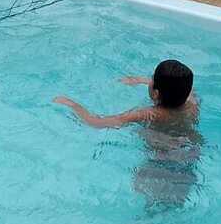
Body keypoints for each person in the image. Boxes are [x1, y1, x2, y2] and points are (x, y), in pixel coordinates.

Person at [54, 60, 201, 209]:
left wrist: (73, 105)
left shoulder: (149, 114)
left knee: (152, 208)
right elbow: (181, 87)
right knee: (173, 205)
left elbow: (96, 122)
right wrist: (141, 80)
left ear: (156, 93)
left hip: (159, 162)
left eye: (151, 79)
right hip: (189, 154)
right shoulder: (192, 105)